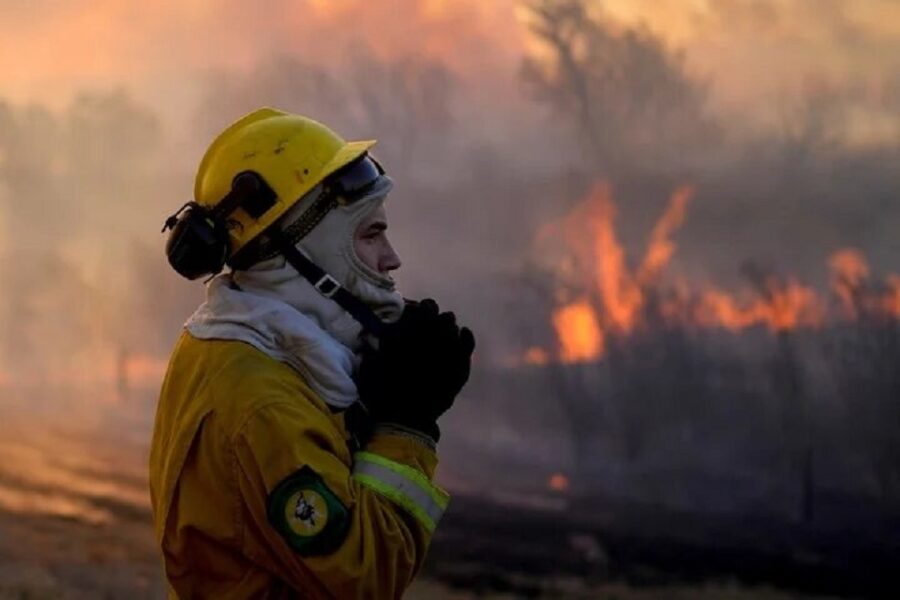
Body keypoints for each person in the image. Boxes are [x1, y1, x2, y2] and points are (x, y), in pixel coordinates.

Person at [149, 107, 475, 599]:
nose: (392, 258)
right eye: (369, 234)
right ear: (307, 253)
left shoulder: (249, 347)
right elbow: (364, 578)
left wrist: (369, 410)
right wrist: (407, 426)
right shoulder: (263, 405)